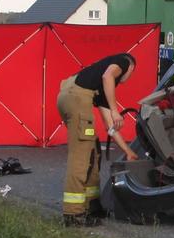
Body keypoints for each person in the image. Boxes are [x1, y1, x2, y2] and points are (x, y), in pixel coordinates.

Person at [57, 53, 139, 227]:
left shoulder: (99, 88)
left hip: (69, 96)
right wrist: (116, 110)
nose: (125, 79)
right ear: (131, 67)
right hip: (76, 98)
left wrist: (128, 151)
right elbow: (108, 75)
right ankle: (74, 215)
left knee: (93, 152)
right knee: (81, 156)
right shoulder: (124, 61)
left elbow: (110, 126)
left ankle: (92, 206)